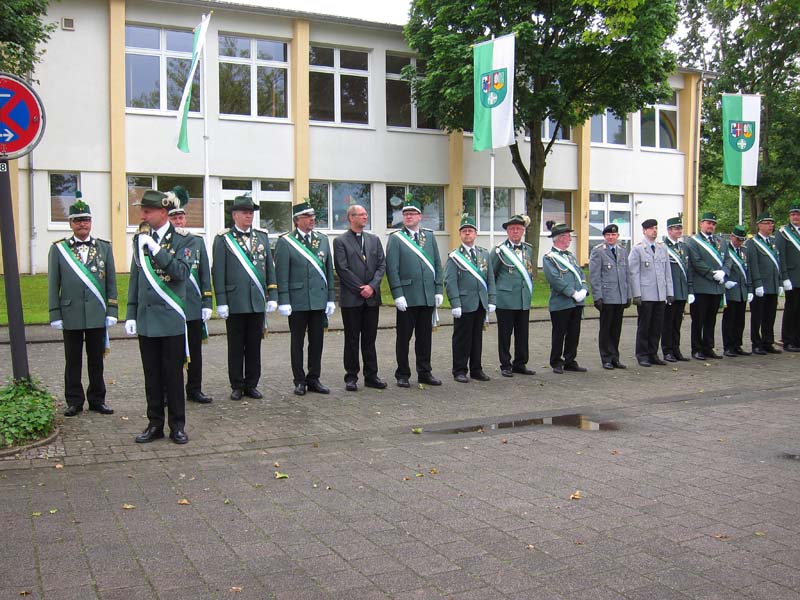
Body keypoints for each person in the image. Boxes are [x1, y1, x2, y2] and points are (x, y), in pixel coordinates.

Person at [125, 189, 193, 444]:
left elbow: (181, 272)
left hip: (170, 318)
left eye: (147, 211)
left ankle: (177, 425)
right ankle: (155, 424)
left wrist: (156, 249)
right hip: (146, 319)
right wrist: (131, 313)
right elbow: (136, 277)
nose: (142, 216)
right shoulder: (139, 238)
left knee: (173, 376)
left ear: (163, 212)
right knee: (151, 376)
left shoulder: (184, 240)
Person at [48, 194, 117, 417]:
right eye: (77, 220)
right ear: (70, 223)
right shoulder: (59, 249)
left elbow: (111, 282)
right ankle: (74, 401)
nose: (82, 224)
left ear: (91, 222)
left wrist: (112, 310)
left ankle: (97, 399)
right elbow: (53, 284)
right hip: (71, 312)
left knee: (96, 360)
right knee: (73, 361)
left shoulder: (104, 248)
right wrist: (55, 313)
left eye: (85, 220)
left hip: (96, 312)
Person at [212, 195, 278, 400]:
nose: (249, 216)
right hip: (235, 301)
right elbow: (218, 272)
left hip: (256, 301)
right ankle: (237, 385)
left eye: (251, 213)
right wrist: (221, 301)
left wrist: (273, 294)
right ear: (234, 215)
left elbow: (270, 269)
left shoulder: (262, 237)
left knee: (254, 346)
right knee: (235, 346)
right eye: (245, 212)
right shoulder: (223, 239)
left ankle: (251, 384)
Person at [274, 201, 335, 396]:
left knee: (317, 342)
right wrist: (284, 300)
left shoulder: (322, 240)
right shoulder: (286, 242)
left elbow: (328, 270)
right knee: (297, 343)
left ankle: (314, 378)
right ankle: (299, 380)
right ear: (296, 220)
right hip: (297, 300)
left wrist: (331, 297)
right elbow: (281, 274)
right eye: (307, 217)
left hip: (318, 299)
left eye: (313, 217)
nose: (312, 220)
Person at [385, 196, 444, 387]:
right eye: (406, 214)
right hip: (407, 297)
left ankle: (425, 372)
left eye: (412, 213)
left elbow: (437, 264)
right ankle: (402, 374)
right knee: (404, 339)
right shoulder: (396, 238)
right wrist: (397, 294)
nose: (409, 216)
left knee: (425, 338)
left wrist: (438, 289)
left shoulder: (429, 237)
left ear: (420, 217)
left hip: (426, 296)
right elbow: (392, 269)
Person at [333, 204, 387, 391]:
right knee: (352, 339)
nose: (365, 217)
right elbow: (342, 269)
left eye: (366, 214)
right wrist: (360, 288)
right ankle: (351, 376)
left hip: (371, 299)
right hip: (352, 299)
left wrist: (372, 286)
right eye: (361, 214)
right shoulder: (340, 241)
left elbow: (381, 265)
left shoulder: (374, 240)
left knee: (370, 339)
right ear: (351, 217)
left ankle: (371, 376)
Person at [168, 187, 213, 404]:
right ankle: (169, 391)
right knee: (172, 353)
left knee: (195, 352)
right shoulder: (163, 242)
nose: (178, 221)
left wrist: (207, 301)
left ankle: (194, 389)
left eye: (181, 217)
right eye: (174, 218)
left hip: (194, 306)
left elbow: (204, 273)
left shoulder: (197, 241)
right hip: (172, 306)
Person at [444, 216, 496, 383]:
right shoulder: (455, 256)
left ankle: (476, 369)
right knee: (462, 339)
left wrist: (492, 300)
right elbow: (450, 281)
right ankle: (459, 370)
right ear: (460, 234)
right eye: (464, 231)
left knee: (476, 338)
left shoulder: (484, 254)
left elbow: (490, 278)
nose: (467, 233)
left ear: (475, 234)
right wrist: (455, 303)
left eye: (470, 231)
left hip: (480, 302)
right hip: (464, 304)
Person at [491, 214, 536, 377]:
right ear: (507, 231)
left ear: (523, 231)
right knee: (505, 334)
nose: (515, 231)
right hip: (505, 300)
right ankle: (505, 364)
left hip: (523, 299)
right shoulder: (499, 251)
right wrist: (493, 297)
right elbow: (491, 275)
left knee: (522, 334)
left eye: (518, 228)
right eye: (512, 229)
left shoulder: (528, 249)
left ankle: (520, 363)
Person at [542, 221, 588, 374]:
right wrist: (573, 293)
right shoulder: (549, 258)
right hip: (561, 302)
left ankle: (570, 360)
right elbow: (555, 279)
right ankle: (556, 361)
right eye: (568, 236)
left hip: (576, 303)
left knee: (574, 333)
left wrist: (584, 290)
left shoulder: (570, 256)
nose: (570, 239)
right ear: (560, 238)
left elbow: (580, 274)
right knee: (559, 334)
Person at [629, 219, 674, 367]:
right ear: (644, 231)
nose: (654, 231)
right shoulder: (638, 249)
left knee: (657, 326)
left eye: (655, 228)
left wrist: (669, 292)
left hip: (660, 294)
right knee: (644, 326)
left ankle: (653, 353)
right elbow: (633, 273)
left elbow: (667, 272)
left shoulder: (662, 248)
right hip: (646, 294)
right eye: (651, 228)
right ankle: (642, 355)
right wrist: (636, 294)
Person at [686, 212, 727, 360]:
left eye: (713, 224)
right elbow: (696, 262)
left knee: (711, 320)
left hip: (716, 288)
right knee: (698, 321)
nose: (711, 226)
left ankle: (708, 347)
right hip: (701, 287)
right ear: (701, 224)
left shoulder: (721, 241)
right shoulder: (693, 242)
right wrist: (712, 274)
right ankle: (696, 349)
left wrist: (724, 272)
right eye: (708, 223)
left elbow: (728, 259)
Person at [588, 223, 630, 370]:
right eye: (608, 235)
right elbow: (595, 276)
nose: (611, 237)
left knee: (616, 329)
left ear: (617, 236)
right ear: (604, 236)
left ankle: (615, 357)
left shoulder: (622, 251)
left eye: (613, 234)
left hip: (620, 296)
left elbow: (627, 275)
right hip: (606, 296)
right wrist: (597, 297)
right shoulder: (598, 251)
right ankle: (606, 358)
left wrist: (628, 294)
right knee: (606, 329)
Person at [746, 211, 782, 355]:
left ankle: (768, 342)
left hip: (772, 284)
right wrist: (757, 283)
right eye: (767, 223)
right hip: (760, 285)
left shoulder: (773, 242)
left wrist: (779, 282)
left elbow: (778, 264)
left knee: (770, 315)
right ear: (759, 225)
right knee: (757, 316)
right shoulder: (752, 243)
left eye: (772, 223)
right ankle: (756, 343)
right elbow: (753, 265)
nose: (770, 226)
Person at [661, 216, 693, 362]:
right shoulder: (663, 247)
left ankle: (676, 349)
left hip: (681, 291)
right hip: (670, 291)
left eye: (680, 228)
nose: (679, 231)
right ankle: (667, 350)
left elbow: (688, 269)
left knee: (677, 323)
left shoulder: (684, 247)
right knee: (667, 323)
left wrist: (689, 290)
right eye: (676, 228)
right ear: (669, 230)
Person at [721, 225, 752, 357]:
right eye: (738, 239)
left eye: (742, 240)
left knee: (740, 320)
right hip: (731, 290)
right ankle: (728, 346)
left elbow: (748, 270)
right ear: (732, 236)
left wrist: (750, 289)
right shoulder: (725, 250)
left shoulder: (744, 251)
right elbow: (722, 266)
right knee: (729, 319)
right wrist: (725, 282)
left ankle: (737, 345)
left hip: (742, 290)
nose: (740, 242)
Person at [776, 202, 800, 352]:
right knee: (791, 309)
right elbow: (781, 256)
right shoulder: (783, 232)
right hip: (792, 277)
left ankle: (797, 339)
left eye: (797, 214)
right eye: (793, 214)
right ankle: (788, 340)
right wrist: (784, 277)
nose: (795, 217)